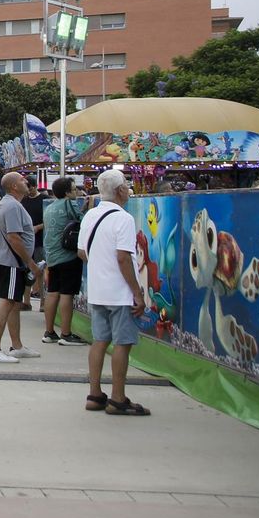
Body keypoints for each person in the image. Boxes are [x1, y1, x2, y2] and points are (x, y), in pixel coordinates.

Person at [79, 169, 151, 415]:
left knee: (100, 340)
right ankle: (118, 397)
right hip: (119, 293)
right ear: (121, 190)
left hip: (97, 290)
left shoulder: (90, 215)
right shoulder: (124, 219)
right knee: (122, 343)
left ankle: (95, 393)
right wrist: (137, 293)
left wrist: (99, 264)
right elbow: (123, 258)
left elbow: (81, 252)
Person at [0, 172, 42, 364]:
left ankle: (17, 346)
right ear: (13, 187)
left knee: (14, 304)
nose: (26, 181)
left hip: (13, 262)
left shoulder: (11, 204)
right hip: (12, 262)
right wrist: (30, 263)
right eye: (21, 180)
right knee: (7, 303)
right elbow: (13, 237)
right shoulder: (11, 206)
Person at [41, 177, 89, 345]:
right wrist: (87, 206)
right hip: (68, 255)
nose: (77, 192)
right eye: (74, 189)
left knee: (53, 292)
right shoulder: (69, 203)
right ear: (67, 192)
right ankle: (66, 334)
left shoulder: (50, 207)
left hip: (52, 255)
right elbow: (82, 220)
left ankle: (49, 331)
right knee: (67, 294)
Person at [21, 185, 47, 309]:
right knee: (26, 271)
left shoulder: (44, 199)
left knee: (40, 270)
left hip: (40, 241)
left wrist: (38, 227)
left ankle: (43, 301)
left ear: (35, 187)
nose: (28, 192)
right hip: (26, 241)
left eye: (30, 189)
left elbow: (48, 219)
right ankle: (26, 301)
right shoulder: (23, 200)